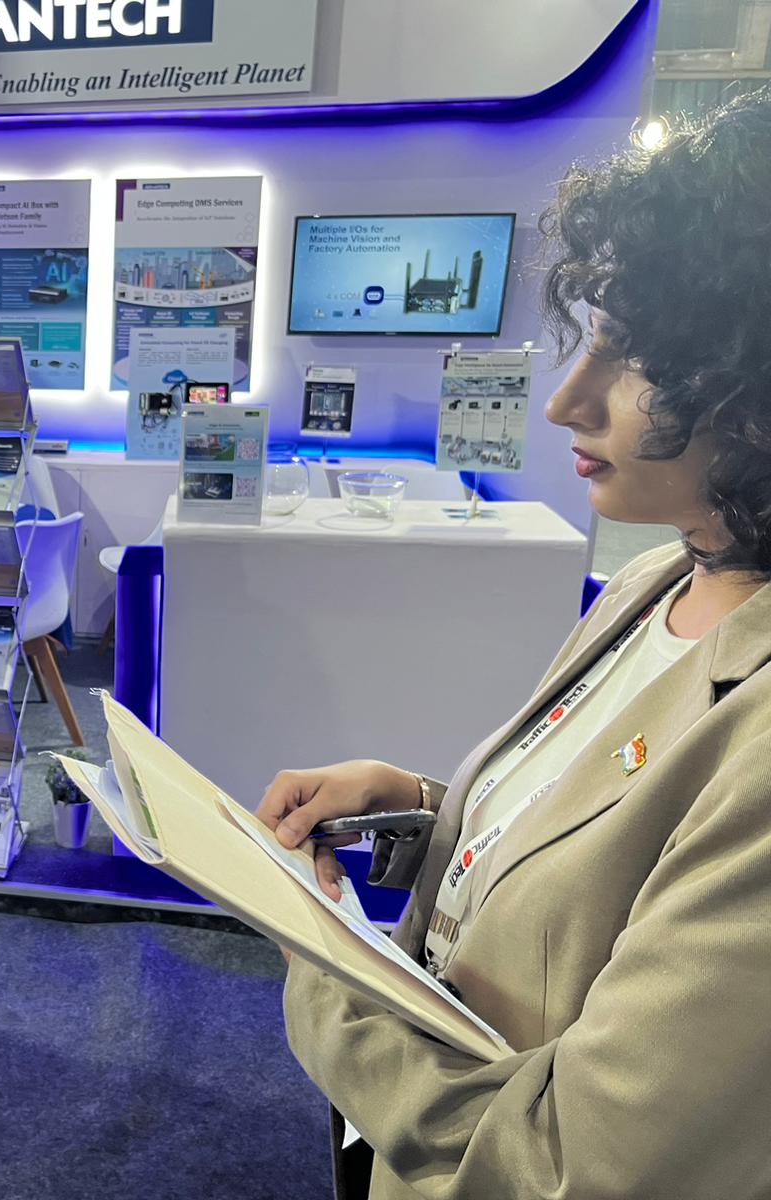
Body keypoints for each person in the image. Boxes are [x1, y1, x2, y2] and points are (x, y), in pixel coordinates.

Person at [259, 90, 771, 1200]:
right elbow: (603, 859)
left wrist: (319, 957)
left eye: (632, 360)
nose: (565, 401)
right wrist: (422, 808)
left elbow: (566, 1162)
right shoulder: (654, 582)